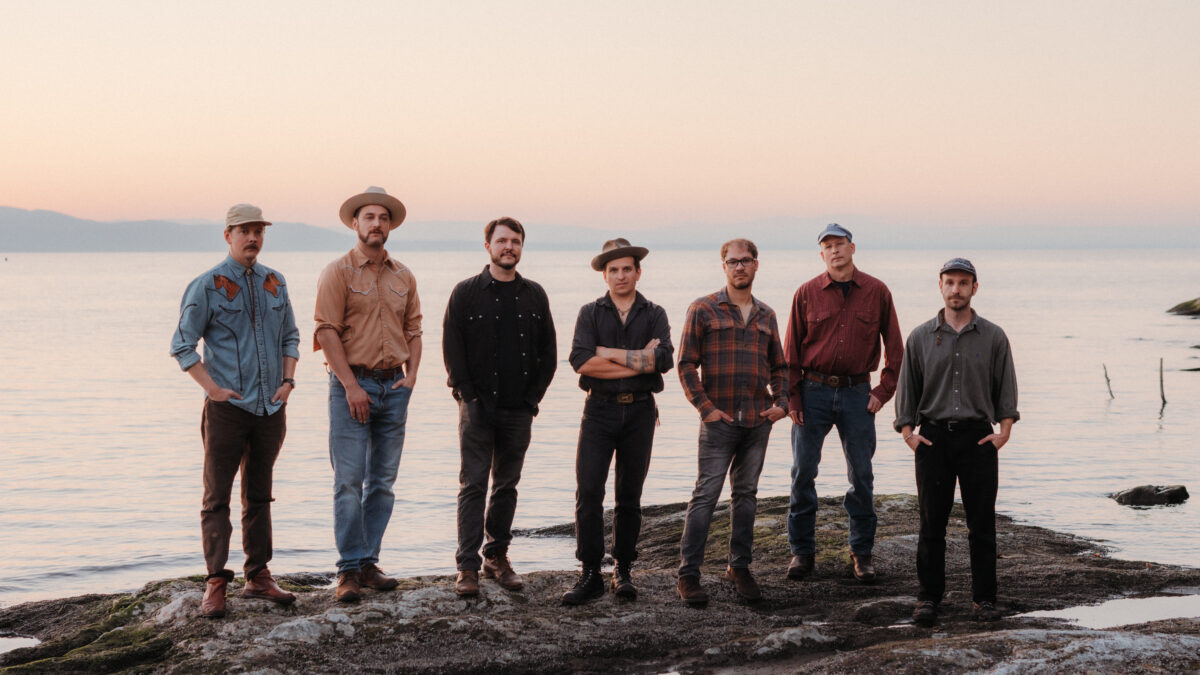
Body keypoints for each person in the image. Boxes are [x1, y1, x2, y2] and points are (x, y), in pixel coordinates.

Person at [170, 203, 300, 618]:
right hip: (227, 410)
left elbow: (292, 336)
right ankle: (215, 581)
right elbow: (182, 345)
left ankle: (258, 576)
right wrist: (213, 390)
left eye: (258, 231)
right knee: (216, 498)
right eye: (244, 231)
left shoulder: (275, 283)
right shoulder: (207, 285)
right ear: (227, 235)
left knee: (259, 495)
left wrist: (288, 382)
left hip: (270, 409)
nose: (253, 238)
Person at [894, 258, 1018, 626]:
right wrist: (908, 434)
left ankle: (985, 600)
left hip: (979, 438)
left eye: (964, 283)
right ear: (940, 286)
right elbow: (907, 389)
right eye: (950, 282)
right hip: (932, 439)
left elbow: (1006, 387)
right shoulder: (920, 336)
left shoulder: (994, 336)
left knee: (982, 524)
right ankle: (928, 600)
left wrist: (1004, 432)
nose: (956, 289)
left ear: (974, 288)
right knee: (932, 524)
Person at [314, 186, 422, 603]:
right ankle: (347, 571)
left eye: (383, 218)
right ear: (356, 224)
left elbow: (414, 329)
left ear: (390, 225)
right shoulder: (338, 271)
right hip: (350, 388)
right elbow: (325, 330)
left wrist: (411, 379)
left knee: (382, 483)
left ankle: (368, 562)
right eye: (369, 217)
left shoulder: (403, 275)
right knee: (348, 481)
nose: (377, 224)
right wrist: (351, 386)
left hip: (393, 387)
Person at [443, 217, 556, 597]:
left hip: (518, 410)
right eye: (502, 240)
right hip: (476, 408)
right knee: (472, 485)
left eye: (516, 241)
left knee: (506, 486)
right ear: (487, 245)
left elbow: (549, 353)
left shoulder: (535, 294)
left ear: (522, 247)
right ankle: (467, 567)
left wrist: (532, 400)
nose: (509, 247)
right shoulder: (465, 293)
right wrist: (468, 397)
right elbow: (453, 352)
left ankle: (497, 556)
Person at [784, 223, 903, 584]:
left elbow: (896, 350)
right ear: (821, 254)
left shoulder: (878, 292)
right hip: (812, 392)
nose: (835, 250)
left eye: (840, 244)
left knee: (862, 476)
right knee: (802, 473)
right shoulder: (805, 293)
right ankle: (802, 554)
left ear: (852, 248)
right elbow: (790, 353)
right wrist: (792, 398)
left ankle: (862, 554)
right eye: (828, 246)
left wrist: (882, 393)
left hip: (857, 395)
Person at [676, 239, 788, 606]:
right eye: (732, 261)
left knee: (746, 496)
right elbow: (686, 364)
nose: (739, 267)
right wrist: (704, 408)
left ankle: (738, 567)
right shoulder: (703, 309)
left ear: (757, 265)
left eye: (746, 261)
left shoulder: (767, 315)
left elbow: (780, 368)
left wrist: (782, 404)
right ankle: (688, 574)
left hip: (757, 421)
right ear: (723, 266)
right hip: (718, 420)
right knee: (706, 495)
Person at [561, 239, 673, 605]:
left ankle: (623, 570)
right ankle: (590, 572)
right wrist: (637, 358)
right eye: (613, 270)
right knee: (589, 491)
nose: (621, 275)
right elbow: (581, 361)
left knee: (630, 495)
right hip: (599, 411)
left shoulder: (654, 312)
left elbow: (662, 360)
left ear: (638, 272)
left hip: (641, 411)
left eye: (627, 268)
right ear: (604, 275)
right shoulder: (589, 313)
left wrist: (607, 353)